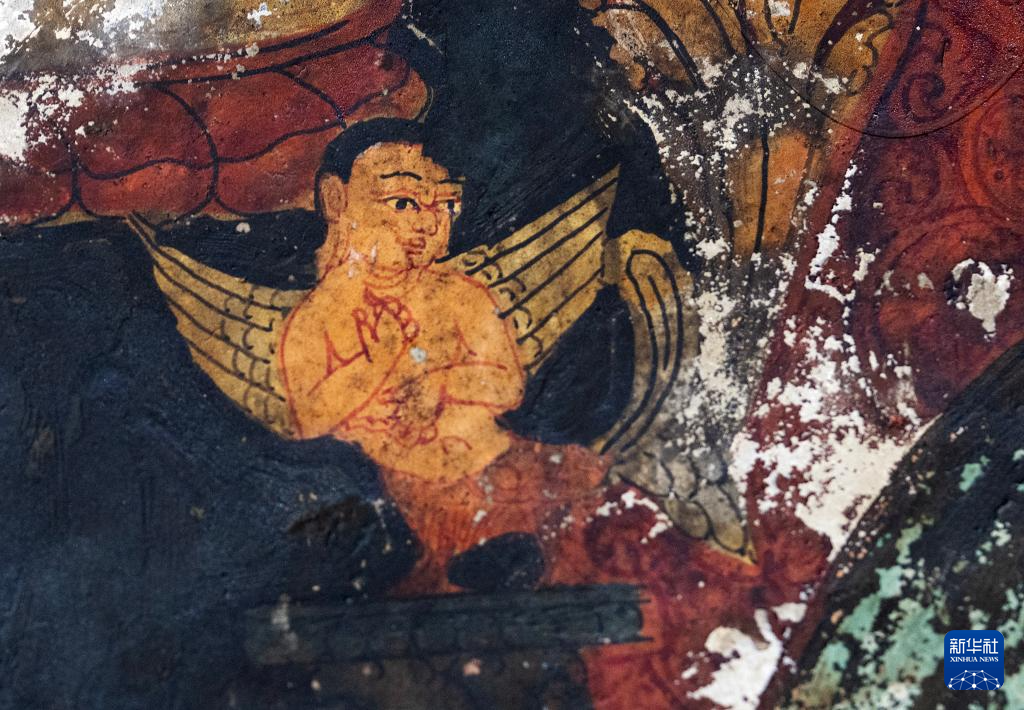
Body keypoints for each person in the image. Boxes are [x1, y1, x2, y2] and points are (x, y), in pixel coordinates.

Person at [279, 119, 606, 588]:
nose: (428, 222)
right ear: (336, 200)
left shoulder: (461, 296)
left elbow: (507, 386)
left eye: (445, 204)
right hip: (402, 482)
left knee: (587, 488)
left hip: (492, 464)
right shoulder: (319, 317)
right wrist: (380, 371)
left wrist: (441, 383)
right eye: (403, 202)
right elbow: (310, 423)